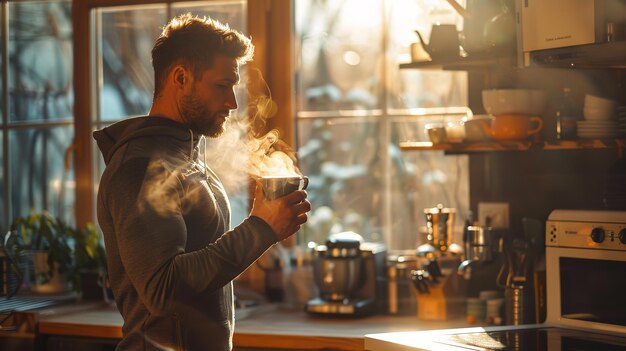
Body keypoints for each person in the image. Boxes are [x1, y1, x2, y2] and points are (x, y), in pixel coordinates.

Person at [93, 14, 311, 351]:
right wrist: (261, 229)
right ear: (181, 77)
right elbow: (162, 288)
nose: (232, 103)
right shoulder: (139, 167)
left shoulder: (186, 157)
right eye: (222, 86)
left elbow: (200, 260)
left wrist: (266, 222)